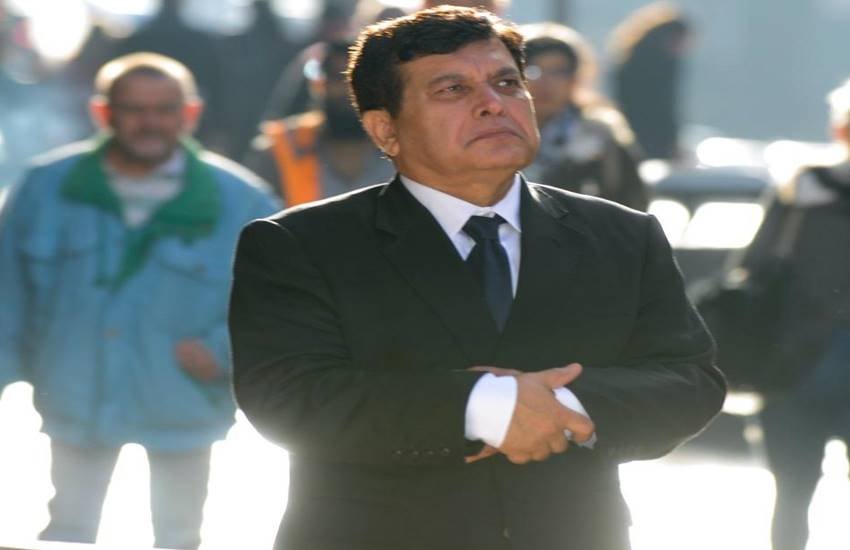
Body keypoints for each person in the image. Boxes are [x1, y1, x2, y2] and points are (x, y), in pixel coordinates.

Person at [228, 7, 725, 550]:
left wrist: (566, 408)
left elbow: (690, 381)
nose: (493, 103)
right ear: (385, 129)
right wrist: (485, 405)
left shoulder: (622, 235)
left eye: (508, 83)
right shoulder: (301, 244)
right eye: (453, 89)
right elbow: (290, 396)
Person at [0, 52, 278, 548]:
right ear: (102, 112)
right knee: (67, 532)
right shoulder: (47, 186)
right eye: (133, 109)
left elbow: (274, 302)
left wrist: (222, 353)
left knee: (179, 536)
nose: (149, 122)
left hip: (184, 397)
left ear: (190, 113)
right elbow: (7, 294)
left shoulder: (242, 200)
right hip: (74, 393)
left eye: (164, 109)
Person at [729, 78, 850, 550]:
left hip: (789, 358)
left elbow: (752, 268)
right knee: (792, 492)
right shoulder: (798, 191)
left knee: (792, 493)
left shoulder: (800, 191)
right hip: (793, 364)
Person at [244, 39, 394, 205]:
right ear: (319, 84)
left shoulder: (405, 150)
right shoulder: (280, 150)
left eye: (360, 81)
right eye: (338, 78)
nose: (348, 91)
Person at [521, 22, 648, 211]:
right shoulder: (498, 130)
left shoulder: (601, 135)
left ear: (576, 78)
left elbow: (632, 203)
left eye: (558, 71)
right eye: (532, 71)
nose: (545, 82)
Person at [609, 2, 692, 161]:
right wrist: (670, 142)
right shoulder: (660, 64)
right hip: (646, 137)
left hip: (631, 133)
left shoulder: (630, 58)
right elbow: (664, 106)